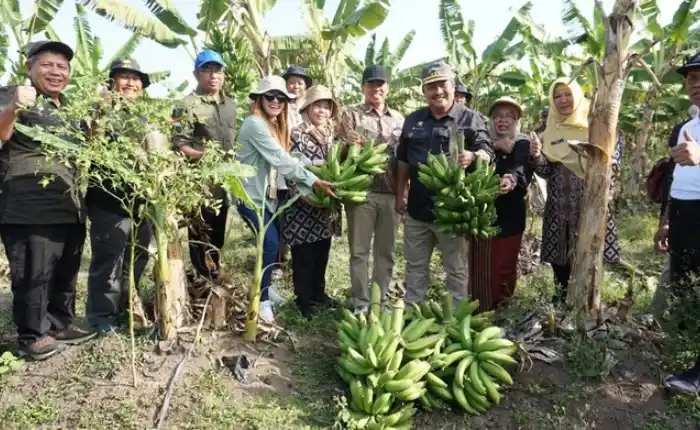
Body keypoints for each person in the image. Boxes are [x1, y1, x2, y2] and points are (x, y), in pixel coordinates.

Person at [0, 41, 97, 360]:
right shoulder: (14, 94)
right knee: (33, 271)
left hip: (68, 203)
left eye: (62, 66)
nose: (56, 71)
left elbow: (88, 146)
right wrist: (15, 107)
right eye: (47, 64)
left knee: (65, 270)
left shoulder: (70, 107)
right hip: (30, 205)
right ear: (30, 67)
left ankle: (58, 324)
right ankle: (31, 336)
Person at [236, 75, 335, 323]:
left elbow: (289, 157)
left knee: (270, 244)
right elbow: (281, 161)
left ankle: (265, 288)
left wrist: (315, 167)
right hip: (250, 197)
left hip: (265, 197)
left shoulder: (273, 125)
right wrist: (314, 180)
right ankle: (262, 301)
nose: (276, 101)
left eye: (281, 98)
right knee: (270, 244)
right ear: (259, 99)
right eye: (270, 96)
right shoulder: (255, 124)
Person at [396, 61, 494, 304]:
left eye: (442, 84)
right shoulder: (413, 120)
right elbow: (403, 160)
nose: (437, 91)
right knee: (415, 266)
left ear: (453, 86)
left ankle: (457, 316)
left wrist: (473, 156)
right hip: (418, 210)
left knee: (456, 268)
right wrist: (400, 194)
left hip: (453, 210)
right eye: (431, 87)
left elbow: (487, 151)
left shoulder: (470, 118)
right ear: (423, 91)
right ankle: (413, 314)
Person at [530, 78, 621, 302]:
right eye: (557, 96)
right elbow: (545, 171)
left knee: (589, 252)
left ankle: (588, 301)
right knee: (560, 257)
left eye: (567, 94)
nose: (563, 100)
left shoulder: (597, 126)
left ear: (578, 95)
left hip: (589, 202)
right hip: (559, 206)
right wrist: (536, 156)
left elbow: (613, 161)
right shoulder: (550, 130)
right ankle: (561, 299)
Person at [85, 58, 154, 333]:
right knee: (108, 260)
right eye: (124, 77)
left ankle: (128, 307)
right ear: (111, 83)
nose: (130, 82)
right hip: (109, 200)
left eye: (135, 78)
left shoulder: (144, 118)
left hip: (141, 202)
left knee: (138, 257)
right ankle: (102, 318)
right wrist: (100, 111)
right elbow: (92, 143)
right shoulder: (100, 111)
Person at [338, 65, 405, 312]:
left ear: (387, 87)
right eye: (371, 84)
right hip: (361, 192)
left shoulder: (399, 119)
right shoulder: (351, 115)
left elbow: (404, 158)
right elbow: (336, 151)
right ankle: (360, 301)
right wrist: (348, 145)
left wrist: (403, 192)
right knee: (359, 252)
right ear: (363, 87)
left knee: (386, 253)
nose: (376, 88)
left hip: (390, 192)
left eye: (381, 84)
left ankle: (381, 299)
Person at [656, 52, 700, 394]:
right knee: (685, 281)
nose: (695, 84)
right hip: (684, 214)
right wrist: (666, 221)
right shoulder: (684, 126)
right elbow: (675, 178)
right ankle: (686, 350)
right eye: (691, 78)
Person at [172, 50, 236, 281]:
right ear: (196, 73)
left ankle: (214, 277)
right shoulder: (186, 105)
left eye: (217, 70)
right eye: (207, 70)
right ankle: (202, 279)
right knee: (200, 234)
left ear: (224, 74)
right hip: (200, 184)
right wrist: (204, 157)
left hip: (225, 183)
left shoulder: (230, 104)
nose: (213, 75)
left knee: (218, 234)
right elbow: (179, 144)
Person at [282, 85, 341, 318]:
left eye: (327, 107)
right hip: (302, 202)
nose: (323, 111)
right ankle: (303, 299)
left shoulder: (329, 135)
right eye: (318, 106)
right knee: (304, 254)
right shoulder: (295, 134)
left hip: (325, 204)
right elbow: (292, 167)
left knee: (322, 249)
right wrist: (310, 188)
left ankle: (319, 293)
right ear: (307, 108)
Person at [469, 97, 532, 311]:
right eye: (497, 116)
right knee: (481, 264)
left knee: (504, 264)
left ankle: (502, 308)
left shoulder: (523, 142)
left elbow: (520, 166)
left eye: (509, 117)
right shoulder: (483, 140)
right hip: (483, 213)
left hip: (511, 213)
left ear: (516, 121)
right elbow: (475, 161)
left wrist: (510, 179)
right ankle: (479, 307)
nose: (502, 121)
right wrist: (495, 146)